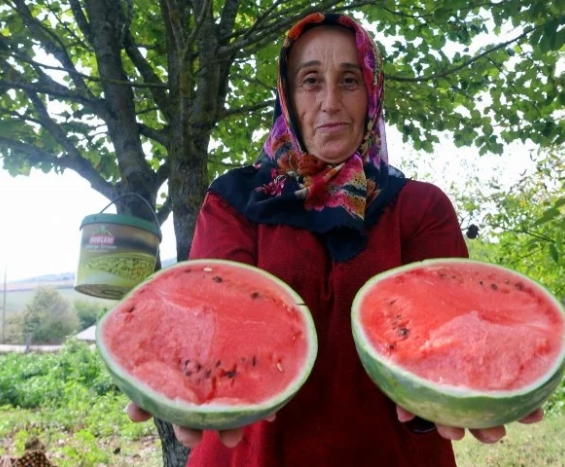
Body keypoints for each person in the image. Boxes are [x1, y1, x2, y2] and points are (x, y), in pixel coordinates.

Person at [127, 12, 543, 466]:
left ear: (372, 94)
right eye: (310, 80)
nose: (330, 101)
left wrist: (477, 383)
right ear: (286, 96)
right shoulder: (234, 202)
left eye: (349, 80)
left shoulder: (419, 208)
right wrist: (176, 370)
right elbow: (212, 323)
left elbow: (450, 336)